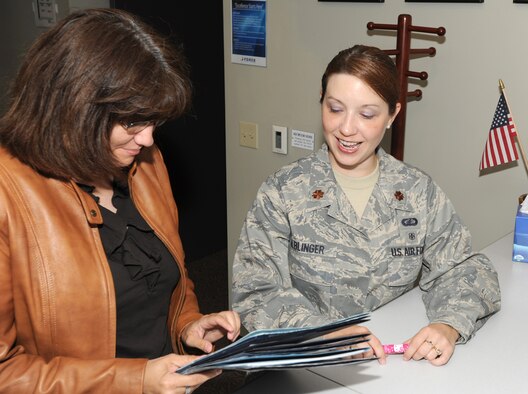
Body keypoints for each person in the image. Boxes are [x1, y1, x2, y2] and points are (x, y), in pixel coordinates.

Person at [0, 8, 241, 394]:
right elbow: (6, 373)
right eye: (131, 121)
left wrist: (187, 324)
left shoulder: (145, 163)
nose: (147, 139)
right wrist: (136, 380)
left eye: (153, 122)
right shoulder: (7, 194)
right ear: (72, 107)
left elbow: (168, 280)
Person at [231, 44, 501, 366]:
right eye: (334, 108)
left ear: (392, 116)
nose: (346, 128)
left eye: (367, 114)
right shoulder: (283, 191)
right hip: (307, 367)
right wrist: (322, 334)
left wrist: (448, 324)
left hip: (397, 364)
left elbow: (464, 269)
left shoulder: (417, 191)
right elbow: (255, 291)